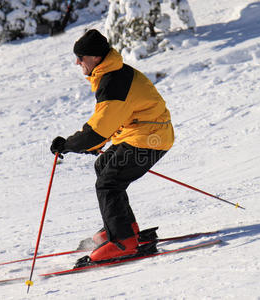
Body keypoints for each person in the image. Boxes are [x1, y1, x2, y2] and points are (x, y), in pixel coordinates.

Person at [50, 29, 174, 262]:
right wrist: (93, 143)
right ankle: (125, 228)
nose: (77, 62)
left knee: (109, 183)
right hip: (141, 134)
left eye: (81, 57)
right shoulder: (113, 75)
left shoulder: (114, 81)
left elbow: (98, 129)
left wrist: (68, 144)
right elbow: (110, 120)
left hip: (150, 138)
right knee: (104, 165)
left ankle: (123, 243)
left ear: (95, 58)